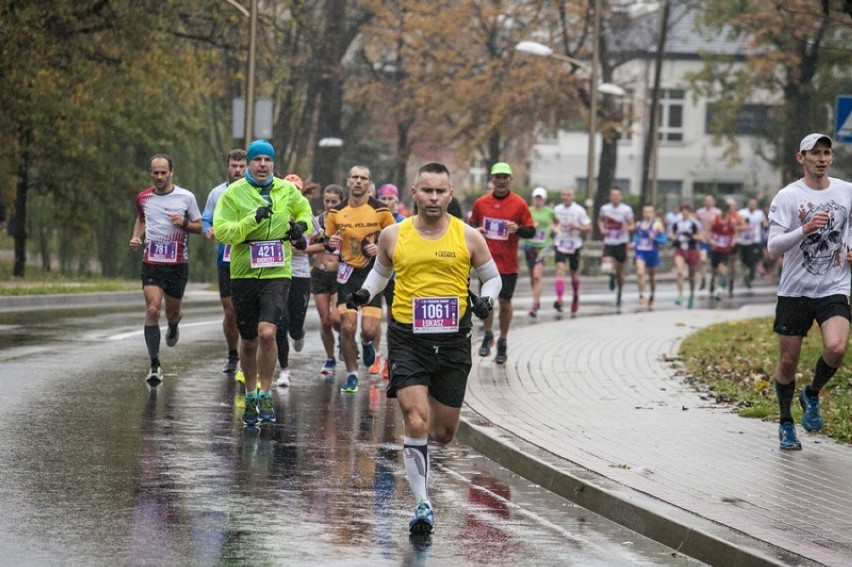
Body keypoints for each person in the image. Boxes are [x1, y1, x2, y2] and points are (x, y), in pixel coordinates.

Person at [344, 162, 501, 535]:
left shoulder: (469, 236)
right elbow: (381, 272)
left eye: (440, 191)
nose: (433, 197)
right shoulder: (394, 235)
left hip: (452, 342)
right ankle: (422, 503)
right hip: (407, 338)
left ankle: (420, 452)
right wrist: (366, 293)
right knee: (416, 420)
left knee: (443, 432)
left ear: (450, 195)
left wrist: (486, 301)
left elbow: (491, 278)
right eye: (426, 190)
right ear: (413, 193)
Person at [213, 140, 313, 426]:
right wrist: (249, 221)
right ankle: (252, 393)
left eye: (267, 160)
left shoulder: (286, 190)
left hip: (277, 272)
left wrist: (300, 228)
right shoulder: (233, 194)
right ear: (248, 164)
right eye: (256, 160)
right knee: (249, 340)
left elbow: (305, 213)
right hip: (244, 272)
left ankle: (266, 392)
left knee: (268, 332)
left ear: (273, 163)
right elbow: (222, 231)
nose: (262, 165)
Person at [766, 133, 852, 451]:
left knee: (837, 347)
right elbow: (773, 247)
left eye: (826, 152)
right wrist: (803, 229)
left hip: (834, 285)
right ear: (800, 158)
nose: (822, 158)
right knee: (788, 363)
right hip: (794, 291)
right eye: (814, 153)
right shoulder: (788, 197)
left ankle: (812, 393)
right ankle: (786, 422)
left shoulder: (847, 191)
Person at [129, 154, 203, 384]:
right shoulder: (144, 197)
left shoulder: (186, 197)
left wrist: (183, 223)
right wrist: (136, 237)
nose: (159, 177)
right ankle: (154, 364)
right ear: (150, 173)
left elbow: (200, 226)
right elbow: (141, 219)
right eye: (155, 173)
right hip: (152, 262)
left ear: (172, 172)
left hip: (177, 265)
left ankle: (173, 325)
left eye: (163, 172)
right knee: (152, 310)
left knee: (172, 313)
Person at [324, 165, 396, 393]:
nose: (358, 181)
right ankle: (352, 374)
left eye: (363, 178)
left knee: (368, 329)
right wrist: (331, 244)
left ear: (369, 183)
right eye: (354, 177)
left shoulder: (381, 210)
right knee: (347, 327)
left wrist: (381, 247)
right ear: (347, 182)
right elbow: (327, 242)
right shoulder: (336, 212)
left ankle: (366, 343)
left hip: (373, 277)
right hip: (347, 277)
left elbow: (396, 240)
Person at [469, 162, 535, 364]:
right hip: (486, 262)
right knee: (486, 302)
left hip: (508, 264)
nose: (500, 181)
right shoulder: (481, 203)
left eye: (504, 177)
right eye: (497, 177)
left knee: (505, 303)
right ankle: (488, 334)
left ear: (510, 180)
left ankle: (503, 340)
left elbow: (531, 231)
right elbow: (470, 226)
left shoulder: (519, 203)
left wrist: (518, 229)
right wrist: (476, 231)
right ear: (492, 179)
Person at [201, 148, 247, 374]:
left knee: (248, 310)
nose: (237, 170)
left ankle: (250, 353)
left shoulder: (255, 192)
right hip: (226, 259)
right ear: (227, 167)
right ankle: (232, 353)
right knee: (230, 310)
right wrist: (206, 229)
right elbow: (206, 218)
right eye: (234, 166)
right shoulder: (217, 193)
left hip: (251, 259)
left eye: (241, 166)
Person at [274, 173, 316, 388]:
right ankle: (284, 370)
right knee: (280, 323)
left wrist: (304, 246)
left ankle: (299, 333)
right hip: (279, 273)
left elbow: (317, 243)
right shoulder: (275, 212)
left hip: (300, 274)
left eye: (296, 190)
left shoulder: (306, 214)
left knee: (294, 326)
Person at [307, 184, 344, 376]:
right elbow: (304, 246)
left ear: (341, 202)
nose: (330, 205)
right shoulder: (317, 221)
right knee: (326, 321)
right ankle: (330, 358)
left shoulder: (346, 222)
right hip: (320, 273)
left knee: (338, 318)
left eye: (334, 202)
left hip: (339, 274)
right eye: (326, 201)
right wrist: (318, 242)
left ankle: (343, 341)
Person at [552, 187, 592, 316]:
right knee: (560, 269)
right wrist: (554, 229)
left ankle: (575, 296)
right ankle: (560, 299)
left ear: (573, 196)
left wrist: (578, 227)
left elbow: (588, 228)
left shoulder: (579, 210)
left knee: (574, 273)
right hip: (560, 243)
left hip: (574, 245)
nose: (566, 197)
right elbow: (552, 224)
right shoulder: (557, 209)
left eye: (568, 195)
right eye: (564, 194)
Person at [597, 187, 635, 309]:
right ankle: (611, 276)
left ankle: (619, 291)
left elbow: (632, 224)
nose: (615, 197)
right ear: (610, 196)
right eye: (613, 195)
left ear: (621, 197)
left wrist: (627, 228)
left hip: (621, 242)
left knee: (620, 271)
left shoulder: (626, 209)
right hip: (609, 241)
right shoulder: (605, 208)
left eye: (617, 195)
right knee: (606, 266)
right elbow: (600, 220)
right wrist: (602, 228)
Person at [524, 187, 556, 318]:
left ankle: (534, 305)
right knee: (533, 277)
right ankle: (536, 297)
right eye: (536, 198)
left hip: (543, 247)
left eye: (540, 198)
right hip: (529, 246)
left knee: (537, 276)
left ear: (544, 199)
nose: (538, 200)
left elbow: (557, 223)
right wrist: (531, 227)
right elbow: (522, 226)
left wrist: (555, 228)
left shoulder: (550, 212)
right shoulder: (528, 211)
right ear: (533, 199)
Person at [632, 204, 666, 309]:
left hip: (652, 252)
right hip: (640, 252)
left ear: (653, 213)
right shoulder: (638, 224)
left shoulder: (657, 225)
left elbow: (663, 240)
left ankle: (652, 293)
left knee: (652, 276)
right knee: (640, 272)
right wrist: (634, 242)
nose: (647, 214)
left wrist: (655, 238)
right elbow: (636, 236)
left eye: (650, 211)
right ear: (643, 213)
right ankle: (641, 295)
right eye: (645, 211)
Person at [672, 204, 704, 309]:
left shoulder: (695, 223)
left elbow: (700, 236)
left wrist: (691, 236)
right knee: (680, 271)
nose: (684, 213)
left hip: (692, 249)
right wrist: (675, 238)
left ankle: (691, 295)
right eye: (683, 211)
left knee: (691, 276)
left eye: (687, 211)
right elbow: (672, 235)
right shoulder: (676, 222)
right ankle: (680, 295)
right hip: (680, 249)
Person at [708, 200, 739, 300]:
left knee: (722, 269)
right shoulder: (714, 219)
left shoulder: (731, 221)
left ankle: (720, 289)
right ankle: (712, 281)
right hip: (715, 248)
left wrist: (734, 240)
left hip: (725, 249)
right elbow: (708, 231)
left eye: (726, 212)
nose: (724, 213)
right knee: (714, 270)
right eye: (723, 211)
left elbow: (735, 233)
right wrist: (710, 240)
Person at [738, 197, 768, 288]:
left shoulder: (759, 213)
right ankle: (747, 275)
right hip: (744, 241)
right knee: (745, 261)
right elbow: (737, 224)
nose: (752, 206)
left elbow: (764, 222)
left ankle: (751, 275)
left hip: (755, 240)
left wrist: (766, 225)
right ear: (748, 204)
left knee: (755, 259)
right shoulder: (741, 213)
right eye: (751, 204)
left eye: (754, 204)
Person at [695, 194, 721, 293]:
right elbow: (696, 225)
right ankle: (703, 279)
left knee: (714, 263)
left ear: (713, 202)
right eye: (706, 201)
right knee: (703, 259)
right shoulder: (699, 212)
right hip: (703, 239)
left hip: (714, 239)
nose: (708, 203)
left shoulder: (717, 212)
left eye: (710, 201)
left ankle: (713, 280)